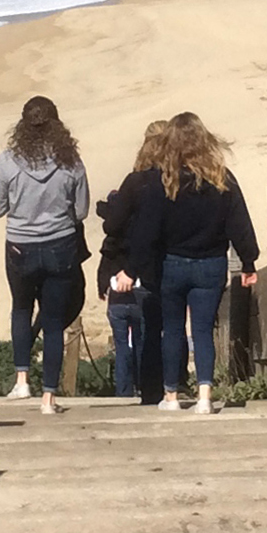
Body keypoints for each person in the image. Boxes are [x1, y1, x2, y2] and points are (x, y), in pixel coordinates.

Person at [115, 111, 259, 414]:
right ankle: (205, 395)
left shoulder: (163, 180)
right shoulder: (223, 178)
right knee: (204, 330)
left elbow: (146, 231)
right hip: (211, 264)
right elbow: (240, 223)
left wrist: (132, 268)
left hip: (172, 265)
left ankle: (171, 396)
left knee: (173, 329)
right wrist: (248, 262)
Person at [0, 96, 89, 415]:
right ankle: (49, 398)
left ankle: (21, 381)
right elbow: (82, 211)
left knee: (21, 309)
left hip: (20, 245)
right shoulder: (71, 162)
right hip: (60, 245)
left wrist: (21, 206)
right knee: (54, 321)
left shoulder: (7, 161)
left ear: (22, 126)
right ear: (57, 125)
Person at [96, 121, 168, 401]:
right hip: (170, 260)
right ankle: (175, 385)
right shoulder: (183, 179)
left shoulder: (136, 181)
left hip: (136, 269)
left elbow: (112, 227)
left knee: (147, 333)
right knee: (167, 327)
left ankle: (148, 391)